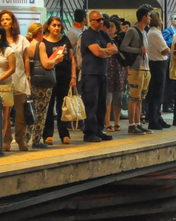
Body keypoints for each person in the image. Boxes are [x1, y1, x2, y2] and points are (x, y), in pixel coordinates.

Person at [78, 10, 118, 142]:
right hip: (90, 74)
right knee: (91, 103)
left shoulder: (104, 34)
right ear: (91, 21)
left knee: (102, 104)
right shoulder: (87, 35)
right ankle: (89, 132)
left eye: (102, 20)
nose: (102, 22)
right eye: (99, 20)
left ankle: (99, 130)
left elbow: (114, 50)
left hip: (102, 73)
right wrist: (105, 51)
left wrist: (103, 51)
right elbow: (97, 53)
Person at [38, 16, 75, 145]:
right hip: (49, 76)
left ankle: (64, 133)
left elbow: (71, 59)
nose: (56, 28)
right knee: (48, 105)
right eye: (54, 25)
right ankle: (47, 134)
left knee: (62, 106)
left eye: (59, 25)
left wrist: (73, 76)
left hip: (63, 76)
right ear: (48, 26)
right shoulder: (43, 41)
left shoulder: (65, 39)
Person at [119, 5, 152, 136]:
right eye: (148, 16)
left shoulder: (144, 32)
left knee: (140, 98)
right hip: (136, 68)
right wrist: (139, 50)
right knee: (134, 97)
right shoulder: (132, 31)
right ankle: (131, 125)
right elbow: (123, 46)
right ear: (144, 17)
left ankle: (138, 123)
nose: (150, 18)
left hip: (145, 68)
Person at [23, 23, 52, 148]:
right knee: (41, 112)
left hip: (28, 81)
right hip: (42, 83)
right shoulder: (40, 45)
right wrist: (57, 59)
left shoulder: (25, 44)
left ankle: (25, 138)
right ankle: (36, 140)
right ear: (39, 33)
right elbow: (46, 64)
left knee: (29, 111)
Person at [145, 11, 170, 130]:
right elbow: (165, 50)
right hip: (157, 64)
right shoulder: (155, 33)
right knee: (157, 93)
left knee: (158, 93)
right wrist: (168, 49)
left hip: (157, 63)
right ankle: (153, 119)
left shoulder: (154, 32)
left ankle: (157, 117)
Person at [105, 18, 127, 132]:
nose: (110, 28)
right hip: (107, 69)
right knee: (108, 98)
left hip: (119, 70)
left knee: (118, 97)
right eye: (108, 26)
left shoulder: (120, 39)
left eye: (113, 26)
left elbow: (123, 54)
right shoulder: (103, 38)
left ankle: (117, 122)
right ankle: (107, 122)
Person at [161, 14, 176, 113]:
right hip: (168, 59)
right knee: (169, 84)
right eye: (175, 19)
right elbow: (163, 44)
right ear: (171, 21)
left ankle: (172, 103)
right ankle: (166, 104)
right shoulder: (167, 31)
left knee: (174, 84)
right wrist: (173, 39)